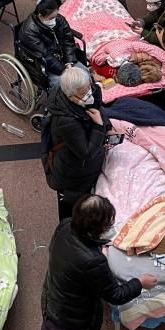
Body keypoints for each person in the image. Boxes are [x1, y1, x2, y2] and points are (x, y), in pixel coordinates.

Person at [40, 194, 158, 330]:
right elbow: (116, 295)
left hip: (53, 301)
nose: (111, 227)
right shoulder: (93, 262)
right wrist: (140, 282)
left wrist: (98, 245)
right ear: (95, 230)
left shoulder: (65, 226)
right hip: (74, 320)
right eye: (108, 223)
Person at [44, 66, 108, 221]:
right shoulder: (66, 121)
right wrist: (99, 127)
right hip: (73, 173)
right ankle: (69, 226)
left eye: (88, 88)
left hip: (76, 165)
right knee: (73, 206)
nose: (88, 94)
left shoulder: (75, 98)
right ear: (71, 96)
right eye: (83, 93)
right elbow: (86, 152)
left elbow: (97, 107)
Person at [18, 0, 86, 89]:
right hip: (43, 64)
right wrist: (63, 70)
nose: (55, 20)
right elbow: (44, 54)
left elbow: (68, 40)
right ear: (41, 16)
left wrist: (69, 62)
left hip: (61, 56)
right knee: (66, 86)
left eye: (56, 15)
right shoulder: (29, 31)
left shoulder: (59, 19)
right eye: (51, 18)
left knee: (85, 74)